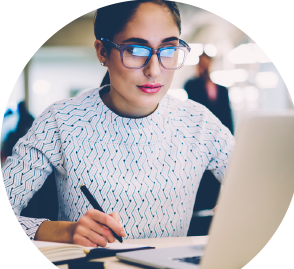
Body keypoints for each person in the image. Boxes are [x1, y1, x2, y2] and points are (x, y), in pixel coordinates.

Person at [2, 0, 235, 248]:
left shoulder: (200, 124)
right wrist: (64, 232)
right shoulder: (61, 122)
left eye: (168, 50)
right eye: (136, 50)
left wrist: (243, 209)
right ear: (102, 51)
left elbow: (264, 192)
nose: (154, 70)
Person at [184, 53, 234, 236]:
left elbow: (227, 116)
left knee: (215, 182)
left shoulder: (221, 89)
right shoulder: (192, 84)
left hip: (219, 137)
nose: (205, 65)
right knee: (200, 182)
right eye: (202, 62)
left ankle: (208, 220)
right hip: (200, 139)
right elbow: (194, 107)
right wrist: (200, 75)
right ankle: (197, 221)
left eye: (207, 62)